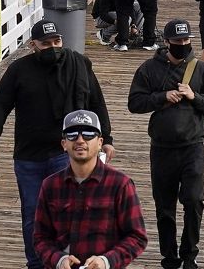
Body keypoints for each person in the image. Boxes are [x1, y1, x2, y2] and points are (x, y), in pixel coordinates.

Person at [0, 19, 116, 269]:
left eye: (57, 42)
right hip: (28, 155)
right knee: (33, 215)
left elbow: (96, 102)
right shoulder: (19, 69)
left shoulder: (79, 63)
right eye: (46, 44)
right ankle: (35, 263)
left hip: (66, 152)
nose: (53, 47)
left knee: (68, 213)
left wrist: (106, 139)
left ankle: (65, 262)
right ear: (33, 44)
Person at [128, 19, 204, 269]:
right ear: (166, 41)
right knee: (164, 206)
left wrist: (194, 97)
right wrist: (161, 97)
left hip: (193, 147)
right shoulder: (149, 69)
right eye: (177, 41)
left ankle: (190, 255)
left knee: (193, 200)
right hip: (161, 148)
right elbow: (134, 103)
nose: (183, 44)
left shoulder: (202, 71)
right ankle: (169, 256)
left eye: (186, 40)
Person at [34, 111, 148, 269]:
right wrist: (58, 260)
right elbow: (40, 238)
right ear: (64, 144)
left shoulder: (121, 184)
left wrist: (107, 261)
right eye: (72, 134)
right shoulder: (49, 185)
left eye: (88, 134)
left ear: (100, 142)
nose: (80, 140)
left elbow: (137, 237)